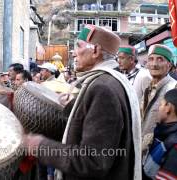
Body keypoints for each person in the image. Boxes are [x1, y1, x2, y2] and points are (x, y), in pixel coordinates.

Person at [23, 25, 141, 180]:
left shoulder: (103, 88)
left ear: (96, 51)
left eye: (78, 46)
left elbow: (92, 161)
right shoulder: (110, 81)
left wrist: (40, 145)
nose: (73, 53)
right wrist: (74, 106)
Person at [143, 88, 177, 180]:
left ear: (168, 108)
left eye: (161, 104)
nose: (159, 108)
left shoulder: (175, 144)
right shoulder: (173, 133)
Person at [141, 44, 177, 157]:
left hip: (160, 153)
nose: (154, 64)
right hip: (144, 151)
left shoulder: (174, 88)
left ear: (169, 65)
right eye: (151, 59)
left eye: (160, 59)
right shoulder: (149, 86)